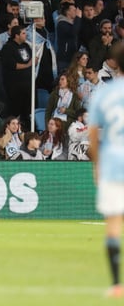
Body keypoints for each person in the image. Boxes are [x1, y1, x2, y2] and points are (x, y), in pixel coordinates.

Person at [88, 44, 124, 298]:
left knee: (113, 223)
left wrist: (97, 164)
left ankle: (116, 284)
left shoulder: (104, 93)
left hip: (112, 162)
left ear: (115, 62)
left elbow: (92, 134)